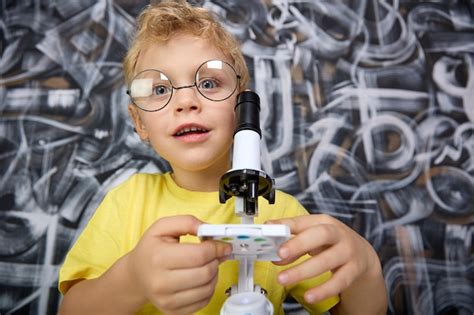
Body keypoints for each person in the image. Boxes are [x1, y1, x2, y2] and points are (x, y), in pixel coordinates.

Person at [58, 1, 388, 314]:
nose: (186, 101)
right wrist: (132, 280)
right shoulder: (127, 203)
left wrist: (366, 270)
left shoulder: (280, 212)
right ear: (139, 122)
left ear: (240, 107)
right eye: (159, 89)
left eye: (209, 83)